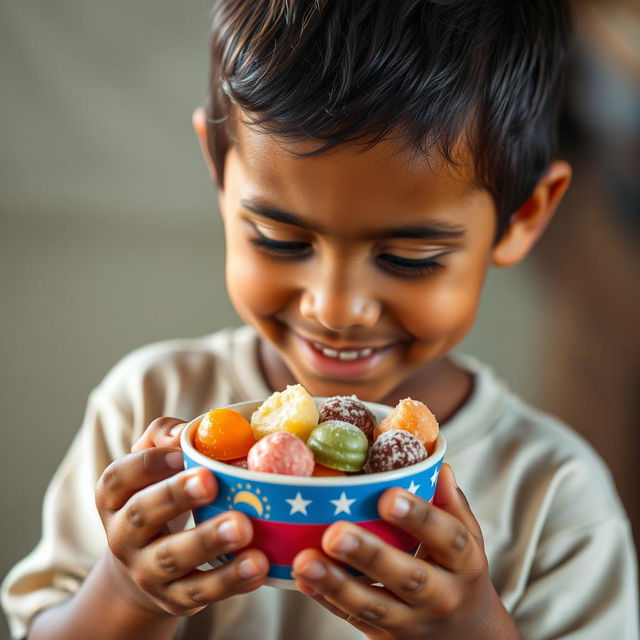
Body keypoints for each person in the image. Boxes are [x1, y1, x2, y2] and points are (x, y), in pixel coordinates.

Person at [2, 1, 638, 638]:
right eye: (281, 241)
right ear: (219, 172)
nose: (333, 308)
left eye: (407, 257)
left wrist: (473, 628)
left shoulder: (555, 496)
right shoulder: (145, 410)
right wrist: (124, 594)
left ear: (523, 216)